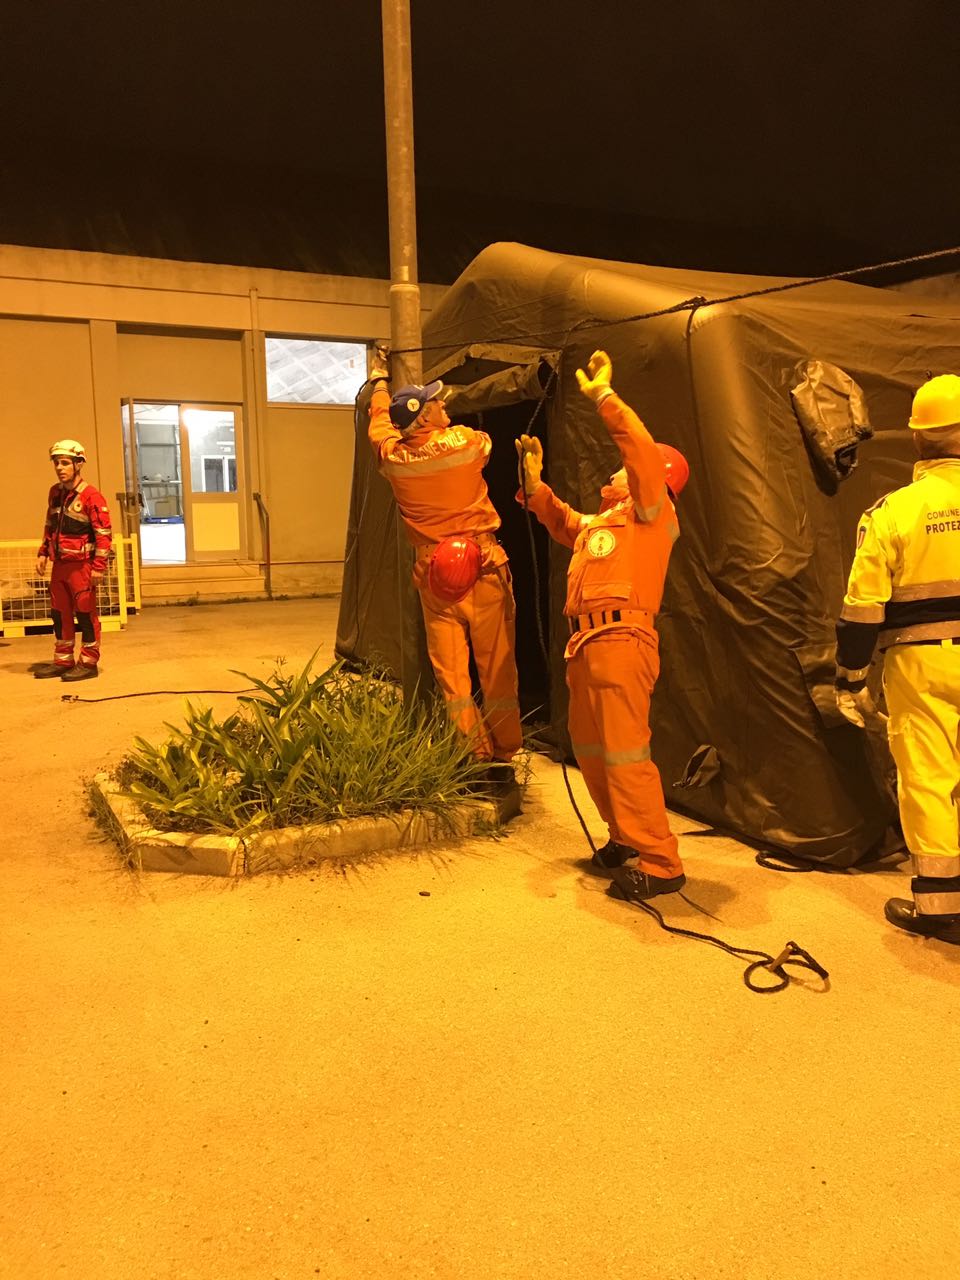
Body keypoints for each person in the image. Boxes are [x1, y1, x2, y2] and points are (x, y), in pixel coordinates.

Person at [516, 350, 689, 903]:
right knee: (594, 752)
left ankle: (661, 862)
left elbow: (637, 451)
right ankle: (625, 838)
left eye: (627, 467)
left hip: (622, 642)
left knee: (625, 755)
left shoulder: (651, 513)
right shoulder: (607, 520)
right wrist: (536, 487)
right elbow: (566, 524)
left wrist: (606, 400)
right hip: (587, 645)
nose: (615, 470)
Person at [835, 373, 960, 943]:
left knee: (930, 780)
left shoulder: (892, 512)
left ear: (917, 441)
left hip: (921, 663)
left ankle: (941, 909)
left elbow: (862, 607)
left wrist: (851, 679)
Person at [366, 362, 522, 771]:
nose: (442, 402)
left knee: (452, 676)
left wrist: (378, 385)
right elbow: (487, 445)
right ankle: (505, 749)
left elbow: (379, 428)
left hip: (435, 579)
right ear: (423, 414)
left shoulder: (392, 460)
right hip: (484, 571)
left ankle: (472, 751)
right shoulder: (465, 442)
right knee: (497, 668)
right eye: (434, 401)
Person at [33, 439, 113, 682]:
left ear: (79, 464)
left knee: (86, 614)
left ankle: (88, 662)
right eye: (57, 463)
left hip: (82, 566)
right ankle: (63, 660)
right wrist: (43, 552)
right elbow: (50, 525)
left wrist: (99, 568)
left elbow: (104, 535)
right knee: (60, 613)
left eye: (65, 463)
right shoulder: (55, 493)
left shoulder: (92, 496)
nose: (60, 467)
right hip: (60, 566)